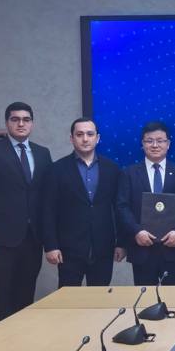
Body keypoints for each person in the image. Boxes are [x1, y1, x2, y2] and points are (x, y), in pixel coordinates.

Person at [0, 102, 52, 327]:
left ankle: (21, 342)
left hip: (33, 238)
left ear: (32, 123)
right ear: (6, 123)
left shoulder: (43, 154)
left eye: (26, 119)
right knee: (0, 298)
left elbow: (47, 197)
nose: (21, 123)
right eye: (15, 119)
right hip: (0, 240)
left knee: (25, 297)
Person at [42, 118, 125, 288]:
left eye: (90, 134)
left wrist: (122, 243)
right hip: (68, 249)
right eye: (79, 134)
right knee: (69, 300)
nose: (85, 139)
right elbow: (47, 210)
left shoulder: (112, 169)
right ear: (71, 138)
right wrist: (51, 246)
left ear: (98, 138)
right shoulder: (56, 169)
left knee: (100, 299)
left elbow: (120, 209)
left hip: (103, 247)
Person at [116, 121, 175, 286]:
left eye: (160, 140)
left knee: (174, 297)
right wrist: (136, 231)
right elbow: (122, 207)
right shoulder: (129, 173)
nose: (155, 145)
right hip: (141, 248)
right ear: (143, 144)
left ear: (168, 144)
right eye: (149, 141)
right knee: (145, 298)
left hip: (172, 248)